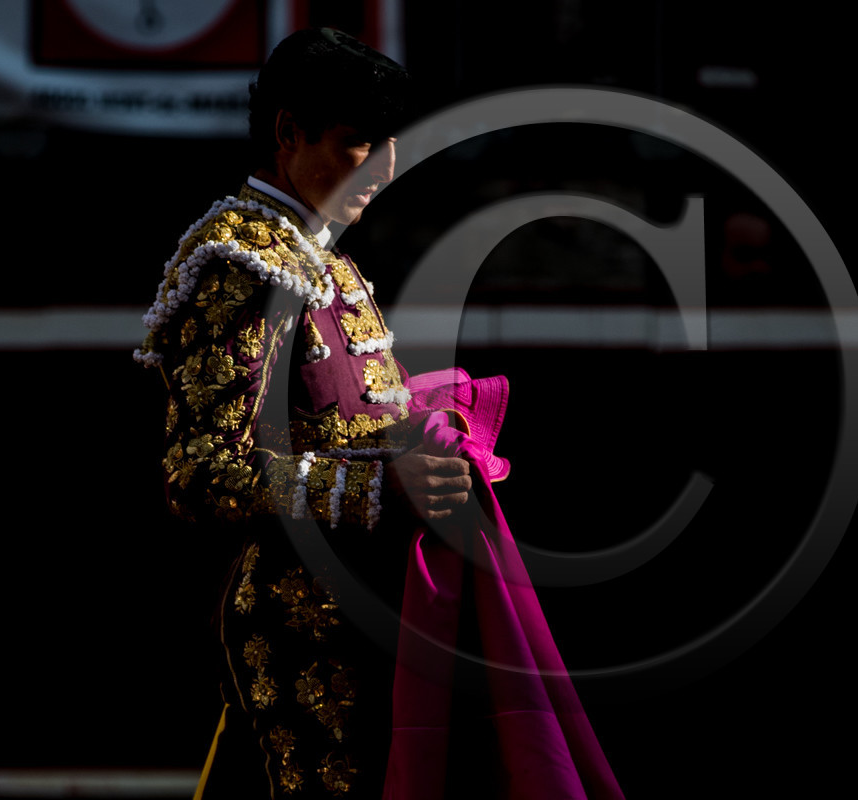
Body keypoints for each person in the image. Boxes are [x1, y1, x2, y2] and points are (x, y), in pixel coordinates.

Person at [135, 28, 623, 799]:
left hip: (374, 620)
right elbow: (201, 473)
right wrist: (380, 487)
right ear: (287, 134)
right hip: (307, 637)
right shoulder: (242, 263)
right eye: (358, 142)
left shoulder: (320, 255)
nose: (387, 167)